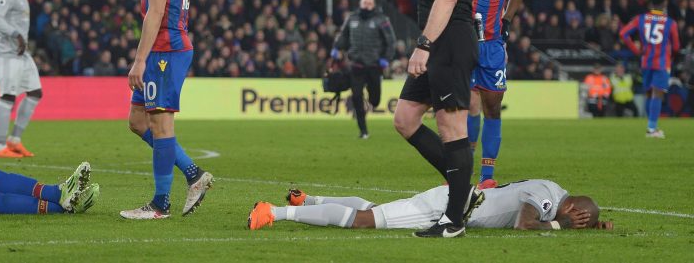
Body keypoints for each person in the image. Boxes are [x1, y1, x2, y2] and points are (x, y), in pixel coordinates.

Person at [121, 0, 213, 220]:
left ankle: (160, 205)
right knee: (137, 120)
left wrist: (139, 60)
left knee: (161, 125)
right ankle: (193, 173)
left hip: (164, 51)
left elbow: (156, 11)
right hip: (166, 47)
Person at [396, 0, 478, 238]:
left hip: (448, 42)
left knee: (451, 129)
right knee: (406, 118)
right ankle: (463, 191)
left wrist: (423, 44)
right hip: (440, 44)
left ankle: (454, 219)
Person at [247, 180, 613, 232]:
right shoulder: (549, 199)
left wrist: (597, 225)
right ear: (570, 210)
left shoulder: (559, 192)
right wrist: (559, 227)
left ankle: (308, 200)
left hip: (453, 199)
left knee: (374, 207)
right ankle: (275, 212)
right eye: (579, 219)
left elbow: (581, 209)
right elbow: (524, 224)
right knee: (364, 221)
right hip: (448, 207)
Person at [467, 0, 528, 188]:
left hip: (492, 46)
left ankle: (487, 177)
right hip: (463, 42)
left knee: (492, 108)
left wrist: (507, 19)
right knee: (467, 105)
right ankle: (460, 172)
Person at [0, 0, 42, 158]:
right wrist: (16, 35)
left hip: (21, 54)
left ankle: (15, 140)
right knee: (8, 96)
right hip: (6, 53)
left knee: (35, 92)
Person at [332, 0, 397, 138]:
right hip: (356, 65)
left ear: (373, 5)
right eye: (364, 3)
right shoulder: (352, 18)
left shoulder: (382, 20)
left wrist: (386, 58)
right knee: (356, 96)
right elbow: (344, 35)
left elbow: (391, 42)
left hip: (374, 65)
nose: (366, 5)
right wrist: (336, 47)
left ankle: (371, 101)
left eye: (369, 3)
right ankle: (363, 131)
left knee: (375, 99)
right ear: (360, 3)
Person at [618, 0, 681, 138]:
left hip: (646, 61)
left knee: (648, 94)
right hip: (662, 62)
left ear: (651, 5)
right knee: (657, 94)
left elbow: (623, 33)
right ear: (664, 5)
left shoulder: (640, 19)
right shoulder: (670, 23)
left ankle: (651, 126)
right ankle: (651, 129)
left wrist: (637, 50)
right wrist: (671, 53)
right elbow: (677, 46)